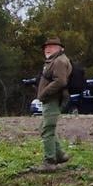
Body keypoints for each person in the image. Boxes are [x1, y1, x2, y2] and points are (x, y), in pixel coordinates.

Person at [35, 37, 72, 172]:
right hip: (51, 99)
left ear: (60, 48)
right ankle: (60, 155)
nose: (47, 49)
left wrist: (44, 93)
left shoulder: (59, 61)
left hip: (53, 99)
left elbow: (60, 81)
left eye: (52, 46)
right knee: (45, 128)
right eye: (46, 47)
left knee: (47, 130)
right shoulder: (54, 60)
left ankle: (49, 162)